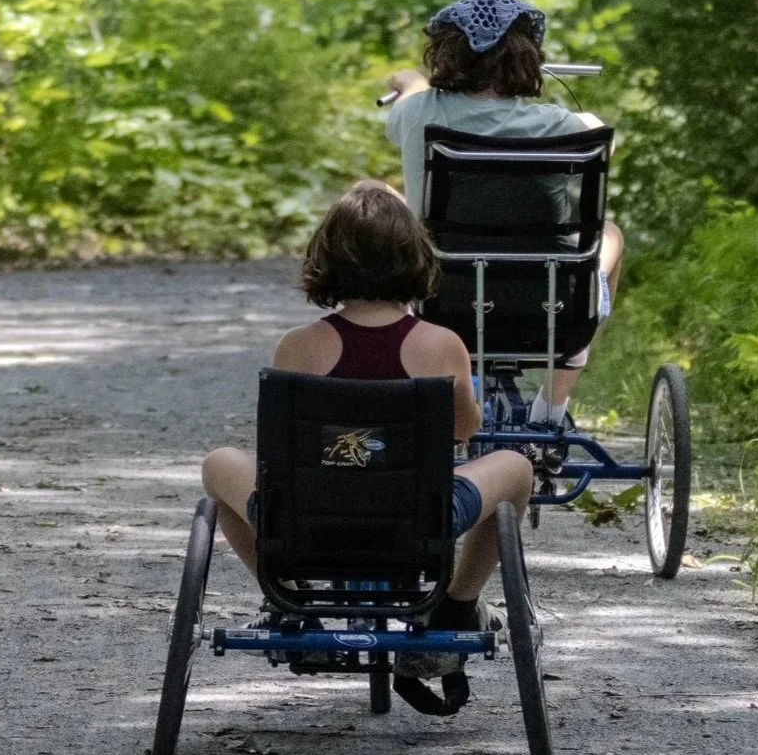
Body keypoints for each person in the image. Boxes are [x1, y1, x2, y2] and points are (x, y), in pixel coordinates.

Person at [200, 180, 534, 703]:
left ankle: (292, 600)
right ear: (415, 259)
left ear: (326, 258)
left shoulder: (297, 346)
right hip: (420, 520)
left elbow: (280, 448)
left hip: (309, 520)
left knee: (219, 469)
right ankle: (456, 602)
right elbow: (464, 431)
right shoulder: (441, 344)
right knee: (515, 466)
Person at [383, 0, 623, 427]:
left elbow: (409, 100)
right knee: (609, 235)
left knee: (388, 202)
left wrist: (407, 80)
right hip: (545, 299)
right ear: (527, 58)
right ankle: (549, 413)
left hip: (442, 290)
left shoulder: (417, 114)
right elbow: (600, 132)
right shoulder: (562, 126)